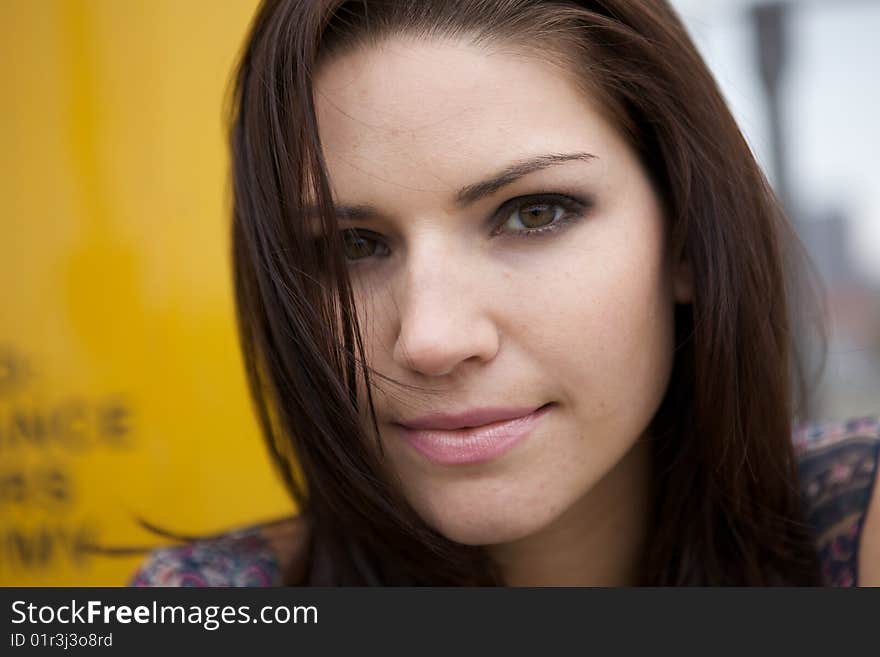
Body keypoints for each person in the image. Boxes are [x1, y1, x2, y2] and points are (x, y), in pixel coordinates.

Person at [130, 0, 880, 586]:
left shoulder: (855, 527)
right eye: (349, 245)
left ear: (685, 231)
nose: (430, 337)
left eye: (534, 213)